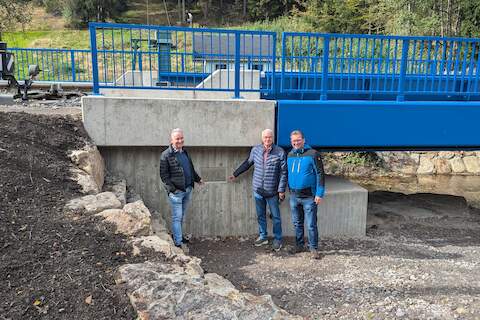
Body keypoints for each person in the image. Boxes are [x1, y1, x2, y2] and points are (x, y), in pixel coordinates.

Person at [229, 129, 287, 251]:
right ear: (262, 138)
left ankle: (277, 239)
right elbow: (248, 163)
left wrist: (281, 190)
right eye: (265, 137)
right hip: (258, 190)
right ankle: (263, 236)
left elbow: (283, 173)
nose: (267, 139)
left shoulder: (280, 152)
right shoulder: (256, 150)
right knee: (260, 215)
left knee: (276, 216)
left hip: (272, 191)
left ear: (273, 138)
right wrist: (235, 174)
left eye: (270, 137)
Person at [160, 128, 203, 251]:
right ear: (172, 140)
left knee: (181, 216)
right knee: (177, 217)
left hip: (188, 189)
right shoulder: (166, 155)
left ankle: (179, 237)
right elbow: (164, 176)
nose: (180, 140)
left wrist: (198, 179)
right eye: (177, 138)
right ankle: (178, 242)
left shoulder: (184, 152)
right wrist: (173, 190)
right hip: (177, 193)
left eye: (181, 138)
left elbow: (190, 168)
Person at [287, 130, 325, 259]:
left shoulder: (313, 154)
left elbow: (320, 174)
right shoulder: (290, 154)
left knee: (311, 224)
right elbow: (288, 174)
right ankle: (299, 245)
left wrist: (319, 194)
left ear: (303, 140)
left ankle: (313, 248)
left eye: (298, 140)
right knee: (297, 223)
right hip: (294, 196)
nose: (296, 143)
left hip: (309, 197)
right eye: (293, 141)